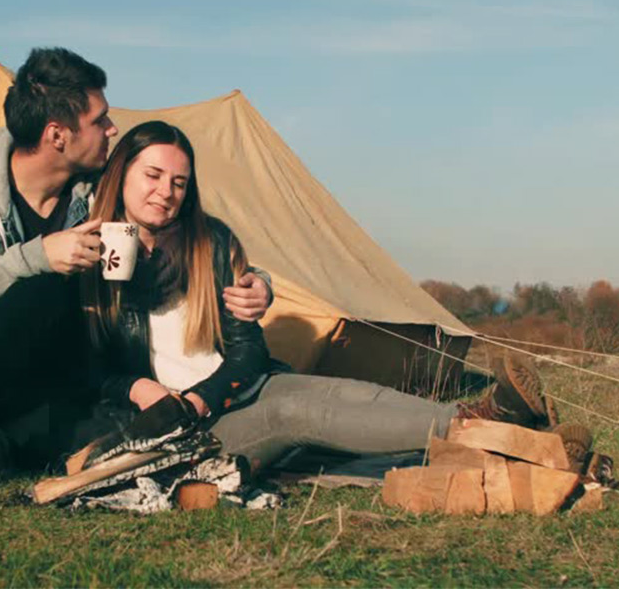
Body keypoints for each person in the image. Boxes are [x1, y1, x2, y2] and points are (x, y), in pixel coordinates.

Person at [0, 50, 272, 493]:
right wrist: (35, 257)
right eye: (99, 120)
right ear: (57, 135)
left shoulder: (98, 191)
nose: (112, 129)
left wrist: (259, 283)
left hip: (63, 386)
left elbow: (182, 231)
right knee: (44, 287)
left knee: (114, 431)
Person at [81, 120, 553, 475]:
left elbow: (248, 349)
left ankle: (483, 424)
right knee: (298, 413)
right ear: (122, 172)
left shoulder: (210, 242)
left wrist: (205, 396)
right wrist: (135, 389)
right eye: (153, 175)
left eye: (179, 183)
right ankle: (488, 430)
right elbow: (81, 363)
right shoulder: (89, 247)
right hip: (178, 430)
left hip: (229, 392)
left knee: (338, 391)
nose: (165, 192)